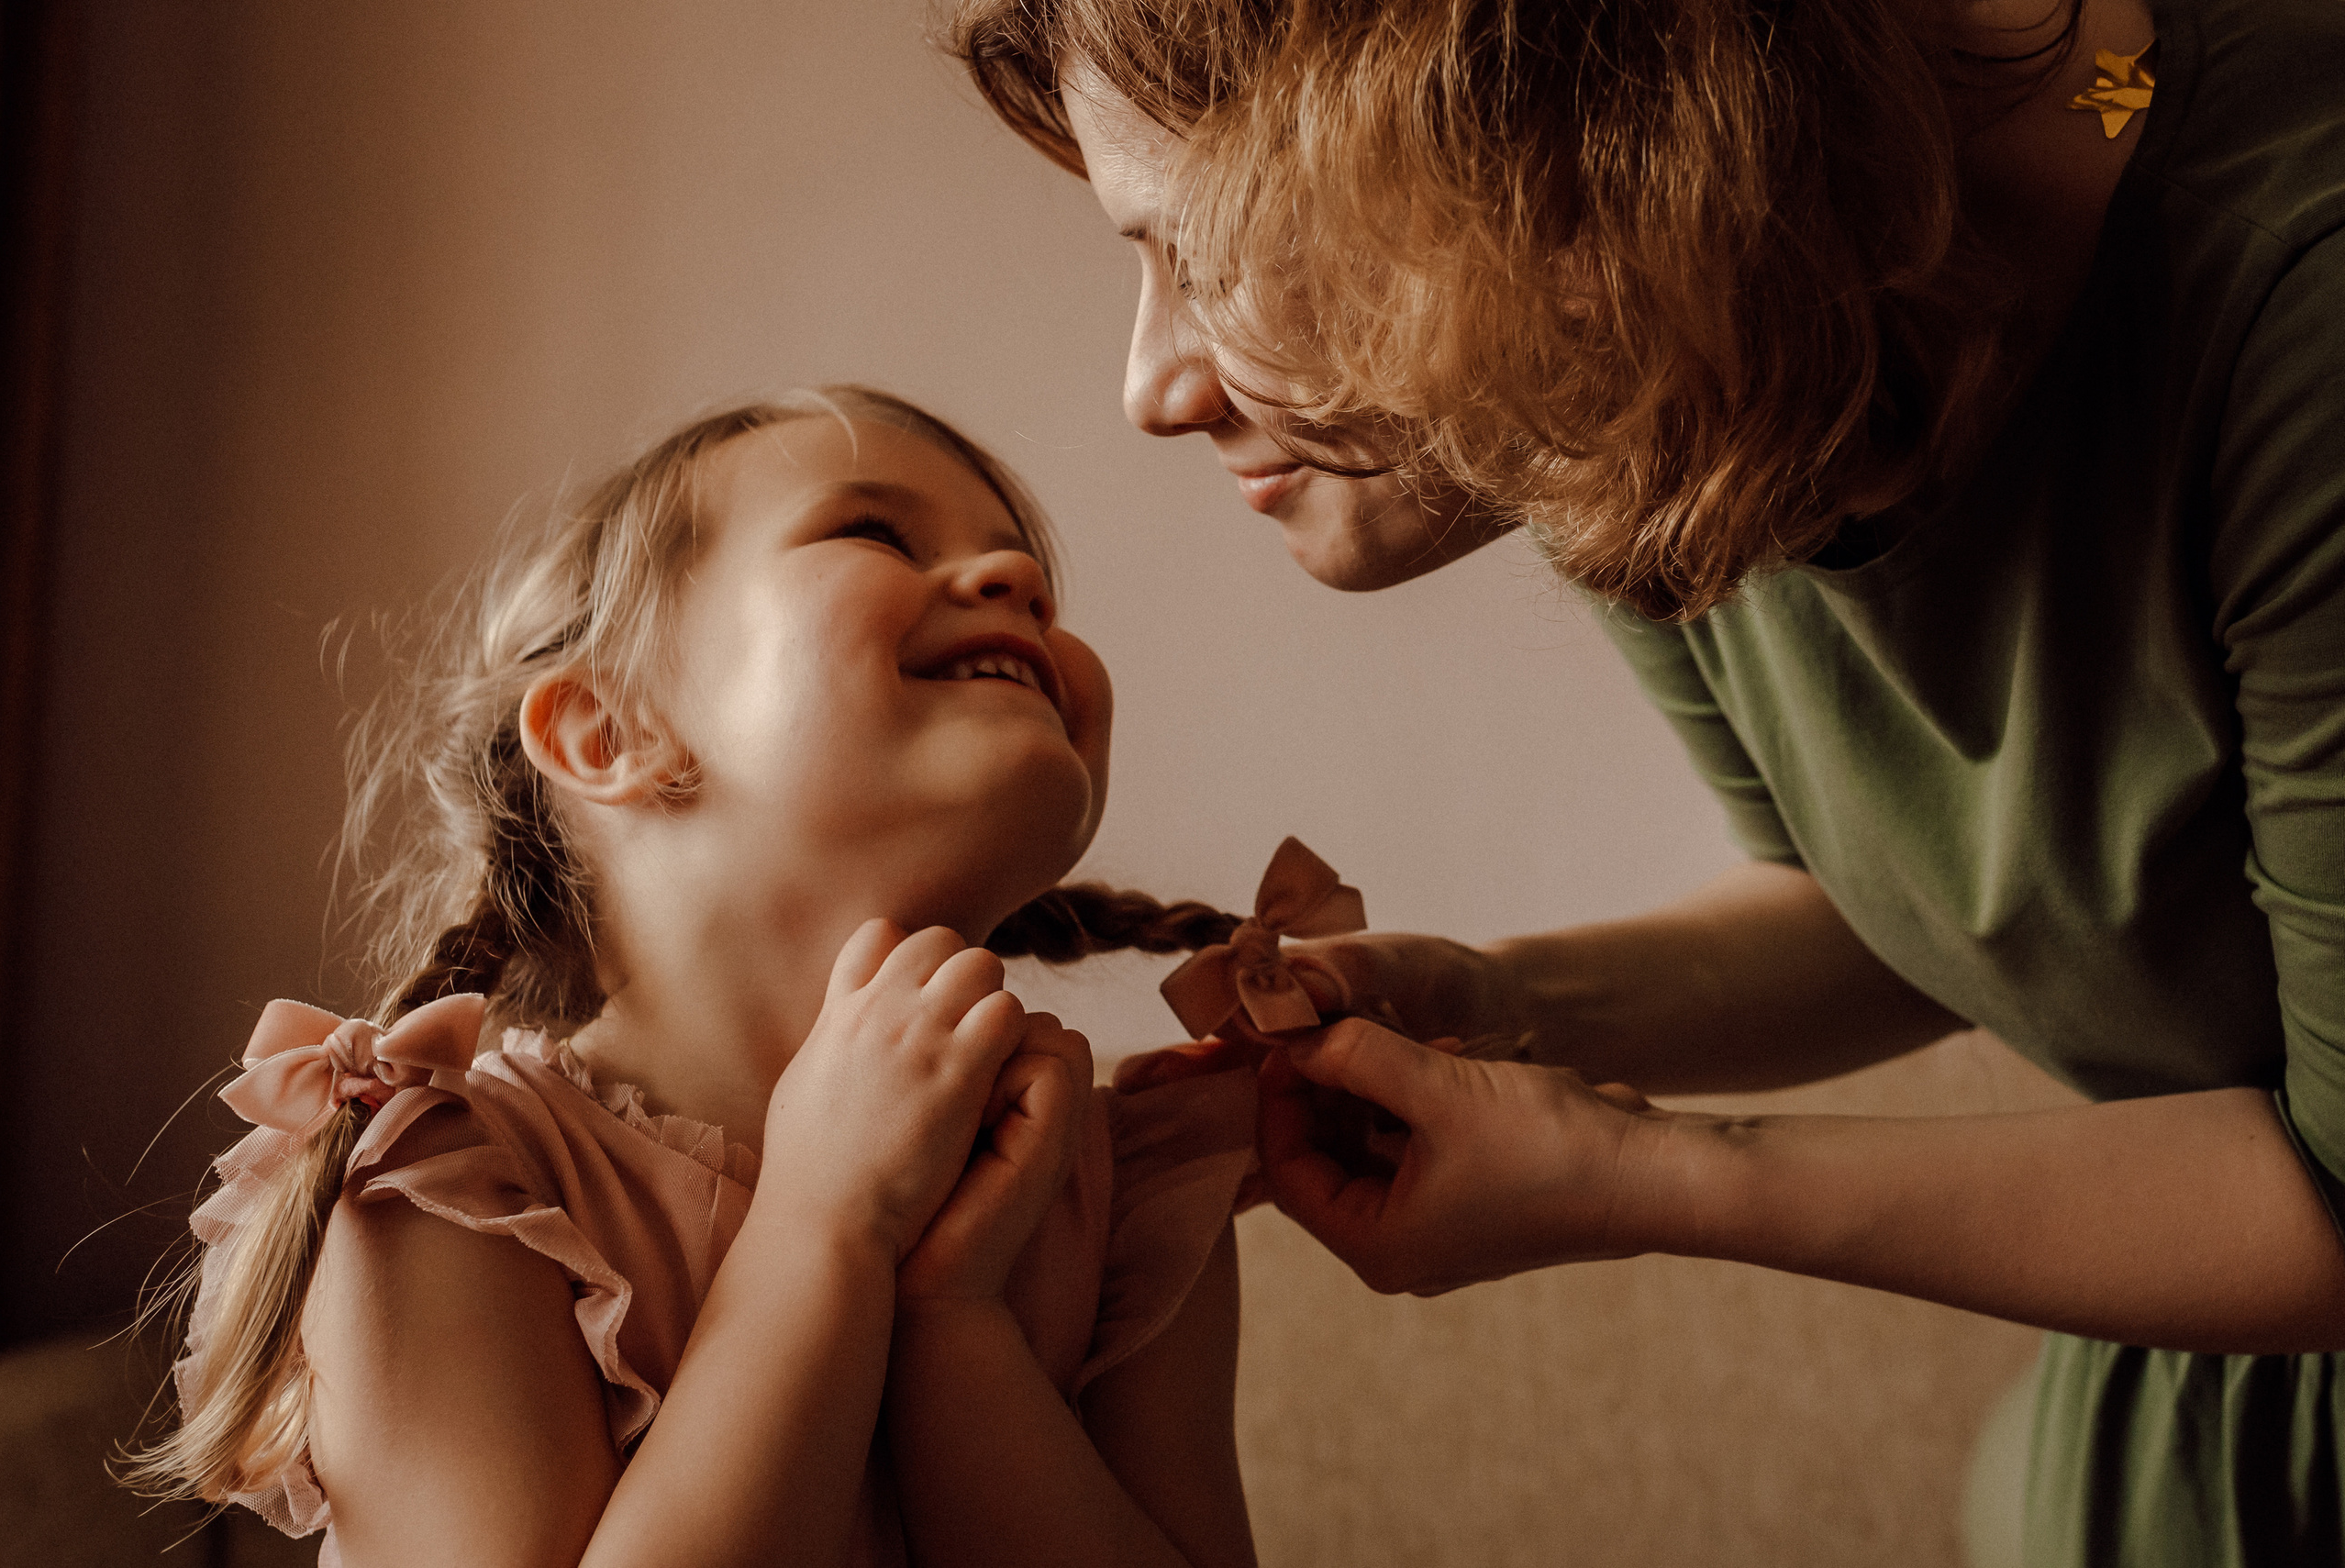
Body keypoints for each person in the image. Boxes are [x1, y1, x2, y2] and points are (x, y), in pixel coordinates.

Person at [949, 0, 2345, 1561]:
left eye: (1200, 252)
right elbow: (1891, 895)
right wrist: (1494, 1004)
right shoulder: (1628, 355)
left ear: (1501, 117)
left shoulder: (2298, 303)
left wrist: (1644, 1178)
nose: (1150, 384)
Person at [126, 386, 1268, 1568]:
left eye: (1032, 576)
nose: (1016, 579)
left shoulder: (1120, 1190)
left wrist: (956, 1323)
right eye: (875, 531)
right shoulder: (445, 1184)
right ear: (609, 734)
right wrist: (830, 1222)